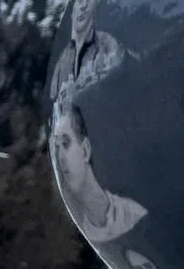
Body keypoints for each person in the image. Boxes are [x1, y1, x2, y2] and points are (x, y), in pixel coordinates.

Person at [50, 103, 147, 244]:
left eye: (65, 144)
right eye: (57, 147)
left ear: (85, 150)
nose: (60, 158)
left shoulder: (133, 215)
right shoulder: (80, 236)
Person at [49, 0, 124, 109]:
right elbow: (54, 105)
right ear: (72, 10)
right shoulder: (61, 64)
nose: (83, 5)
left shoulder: (109, 47)